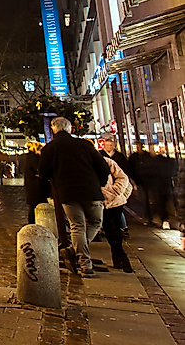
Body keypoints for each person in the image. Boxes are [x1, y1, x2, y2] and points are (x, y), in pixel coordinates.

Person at [38, 117, 109, 277]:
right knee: (95, 223)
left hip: (67, 193)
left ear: (53, 130)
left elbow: (43, 173)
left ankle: (81, 260)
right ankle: (81, 260)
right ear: (70, 129)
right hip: (91, 190)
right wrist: (100, 183)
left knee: (77, 226)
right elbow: (103, 167)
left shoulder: (49, 149)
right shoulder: (84, 145)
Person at [100, 152, 133, 272]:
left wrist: (115, 191)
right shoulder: (85, 163)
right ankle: (122, 258)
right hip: (102, 203)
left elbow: (122, 177)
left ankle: (118, 258)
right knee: (111, 230)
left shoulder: (107, 162)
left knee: (115, 230)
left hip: (115, 201)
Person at [147, 149, 176, 229]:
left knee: (159, 203)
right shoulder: (169, 162)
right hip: (167, 185)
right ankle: (167, 219)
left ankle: (163, 219)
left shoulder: (151, 164)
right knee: (167, 202)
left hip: (156, 186)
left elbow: (147, 174)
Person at [21, 140, 47, 224]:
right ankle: (34, 223)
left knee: (33, 206)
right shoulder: (33, 158)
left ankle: (33, 222)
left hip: (32, 186)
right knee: (34, 206)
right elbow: (38, 170)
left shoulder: (27, 157)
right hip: (36, 187)